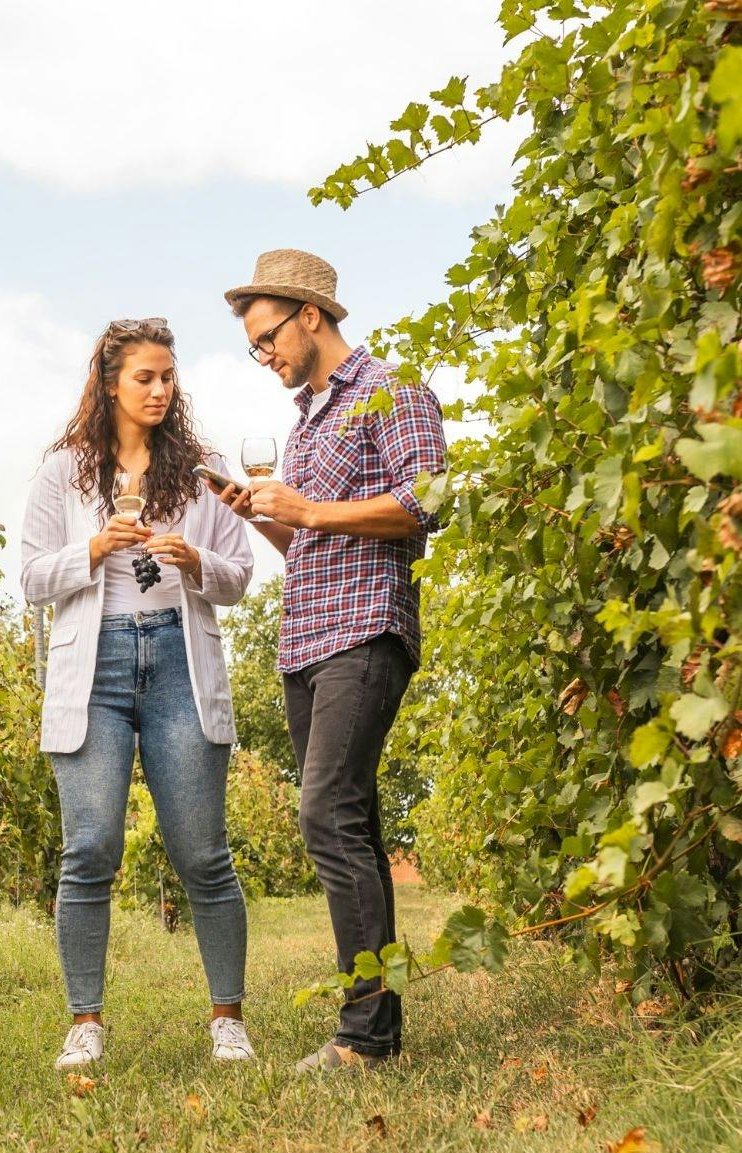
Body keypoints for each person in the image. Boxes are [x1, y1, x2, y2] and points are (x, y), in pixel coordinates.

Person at [217, 249, 447, 1073]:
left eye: (267, 337)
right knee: (352, 821)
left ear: (310, 315)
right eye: (253, 345)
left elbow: (427, 502)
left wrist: (309, 507)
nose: (263, 355)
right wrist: (263, 516)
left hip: (365, 629)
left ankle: (363, 1034)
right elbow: (313, 541)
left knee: (325, 815)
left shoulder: (393, 389)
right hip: (306, 639)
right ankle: (377, 1028)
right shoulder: (308, 420)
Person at [21, 317, 256, 1071]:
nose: (160, 391)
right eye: (144, 378)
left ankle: (228, 1020)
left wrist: (195, 561)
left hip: (180, 663)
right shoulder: (64, 472)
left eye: (168, 377)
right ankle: (85, 1022)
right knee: (89, 849)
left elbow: (239, 577)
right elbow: (32, 577)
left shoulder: (205, 471)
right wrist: (92, 549)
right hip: (96, 667)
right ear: (109, 383)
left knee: (203, 854)